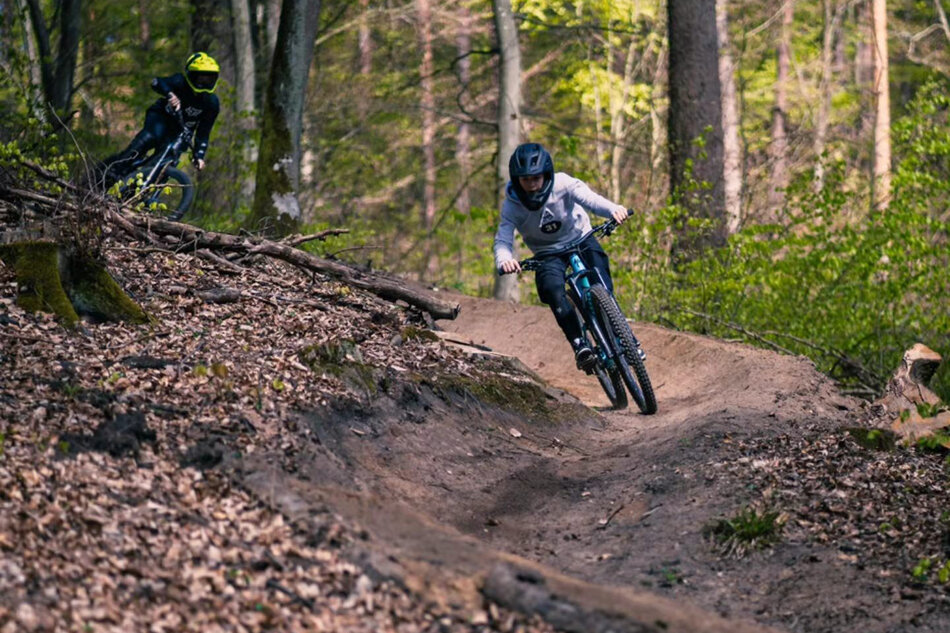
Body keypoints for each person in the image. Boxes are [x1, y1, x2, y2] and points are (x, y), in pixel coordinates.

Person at [494, 142, 630, 370]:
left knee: (600, 276)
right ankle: (579, 344)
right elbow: (503, 238)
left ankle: (619, 328)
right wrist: (504, 259)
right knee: (552, 290)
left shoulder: (563, 183)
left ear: (546, 173)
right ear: (517, 180)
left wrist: (612, 209)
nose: (532, 185)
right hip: (548, 254)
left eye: (536, 178)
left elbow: (591, 199)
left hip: (581, 237)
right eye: (526, 180)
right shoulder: (512, 205)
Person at [100, 52, 221, 185]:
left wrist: (199, 156)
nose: (204, 83)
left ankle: (137, 193)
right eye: (201, 78)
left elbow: (204, 132)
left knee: (167, 164)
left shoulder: (212, 103)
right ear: (191, 76)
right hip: (160, 119)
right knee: (149, 138)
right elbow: (156, 82)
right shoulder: (179, 81)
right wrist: (170, 94)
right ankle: (113, 172)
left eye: (209, 79)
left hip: (180, 133)